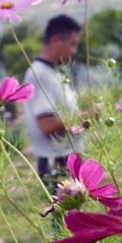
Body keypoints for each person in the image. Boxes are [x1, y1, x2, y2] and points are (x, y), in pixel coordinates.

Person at [23, 14, 84, 191]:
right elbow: (48, 126)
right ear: (57, 40)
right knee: (62, 217)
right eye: (73, 44)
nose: (74, 51)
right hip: (56, 161)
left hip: (66, 157)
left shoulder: (53, 73)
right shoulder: (40, 74)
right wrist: (85, 117)